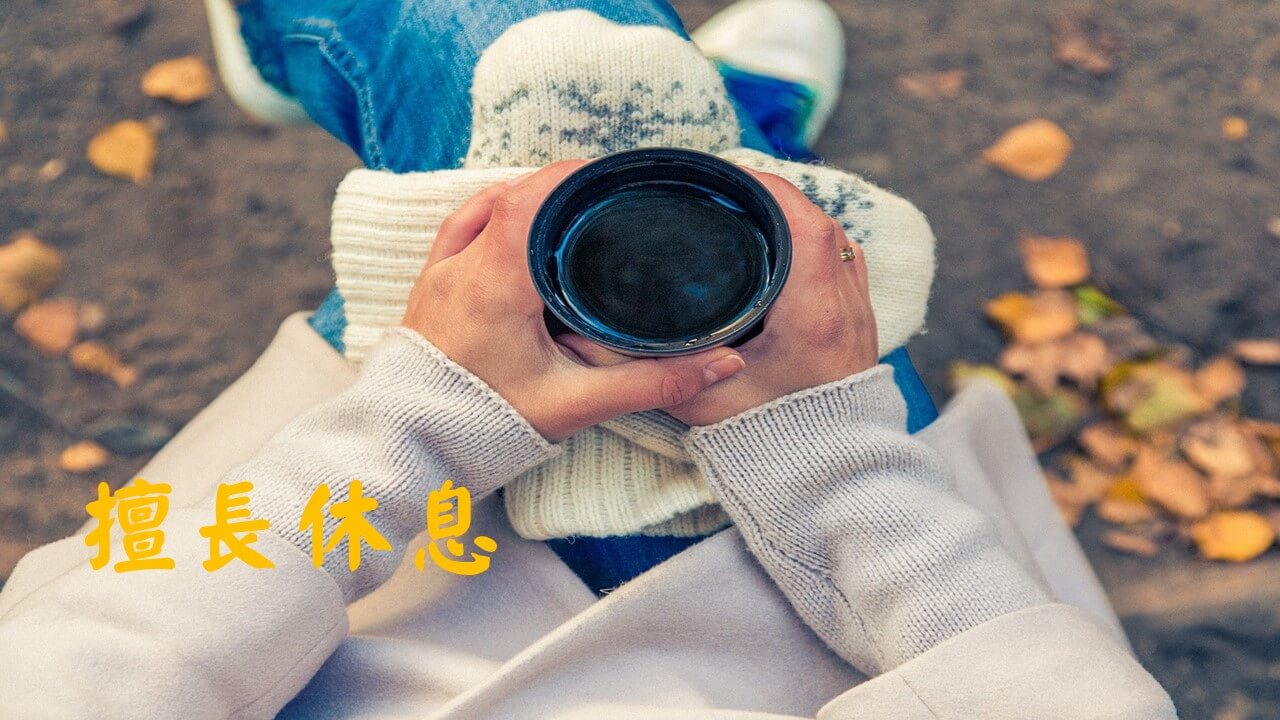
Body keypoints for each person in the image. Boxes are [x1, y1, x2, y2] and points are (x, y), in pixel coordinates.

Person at [0, 1, 1176, 718]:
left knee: (505, 55)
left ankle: (742, 126)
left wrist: (419, 420)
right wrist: (826, 460)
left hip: (342, 619)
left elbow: (80, 680)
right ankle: (752, 123)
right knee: (648, 142)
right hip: (868, 632)